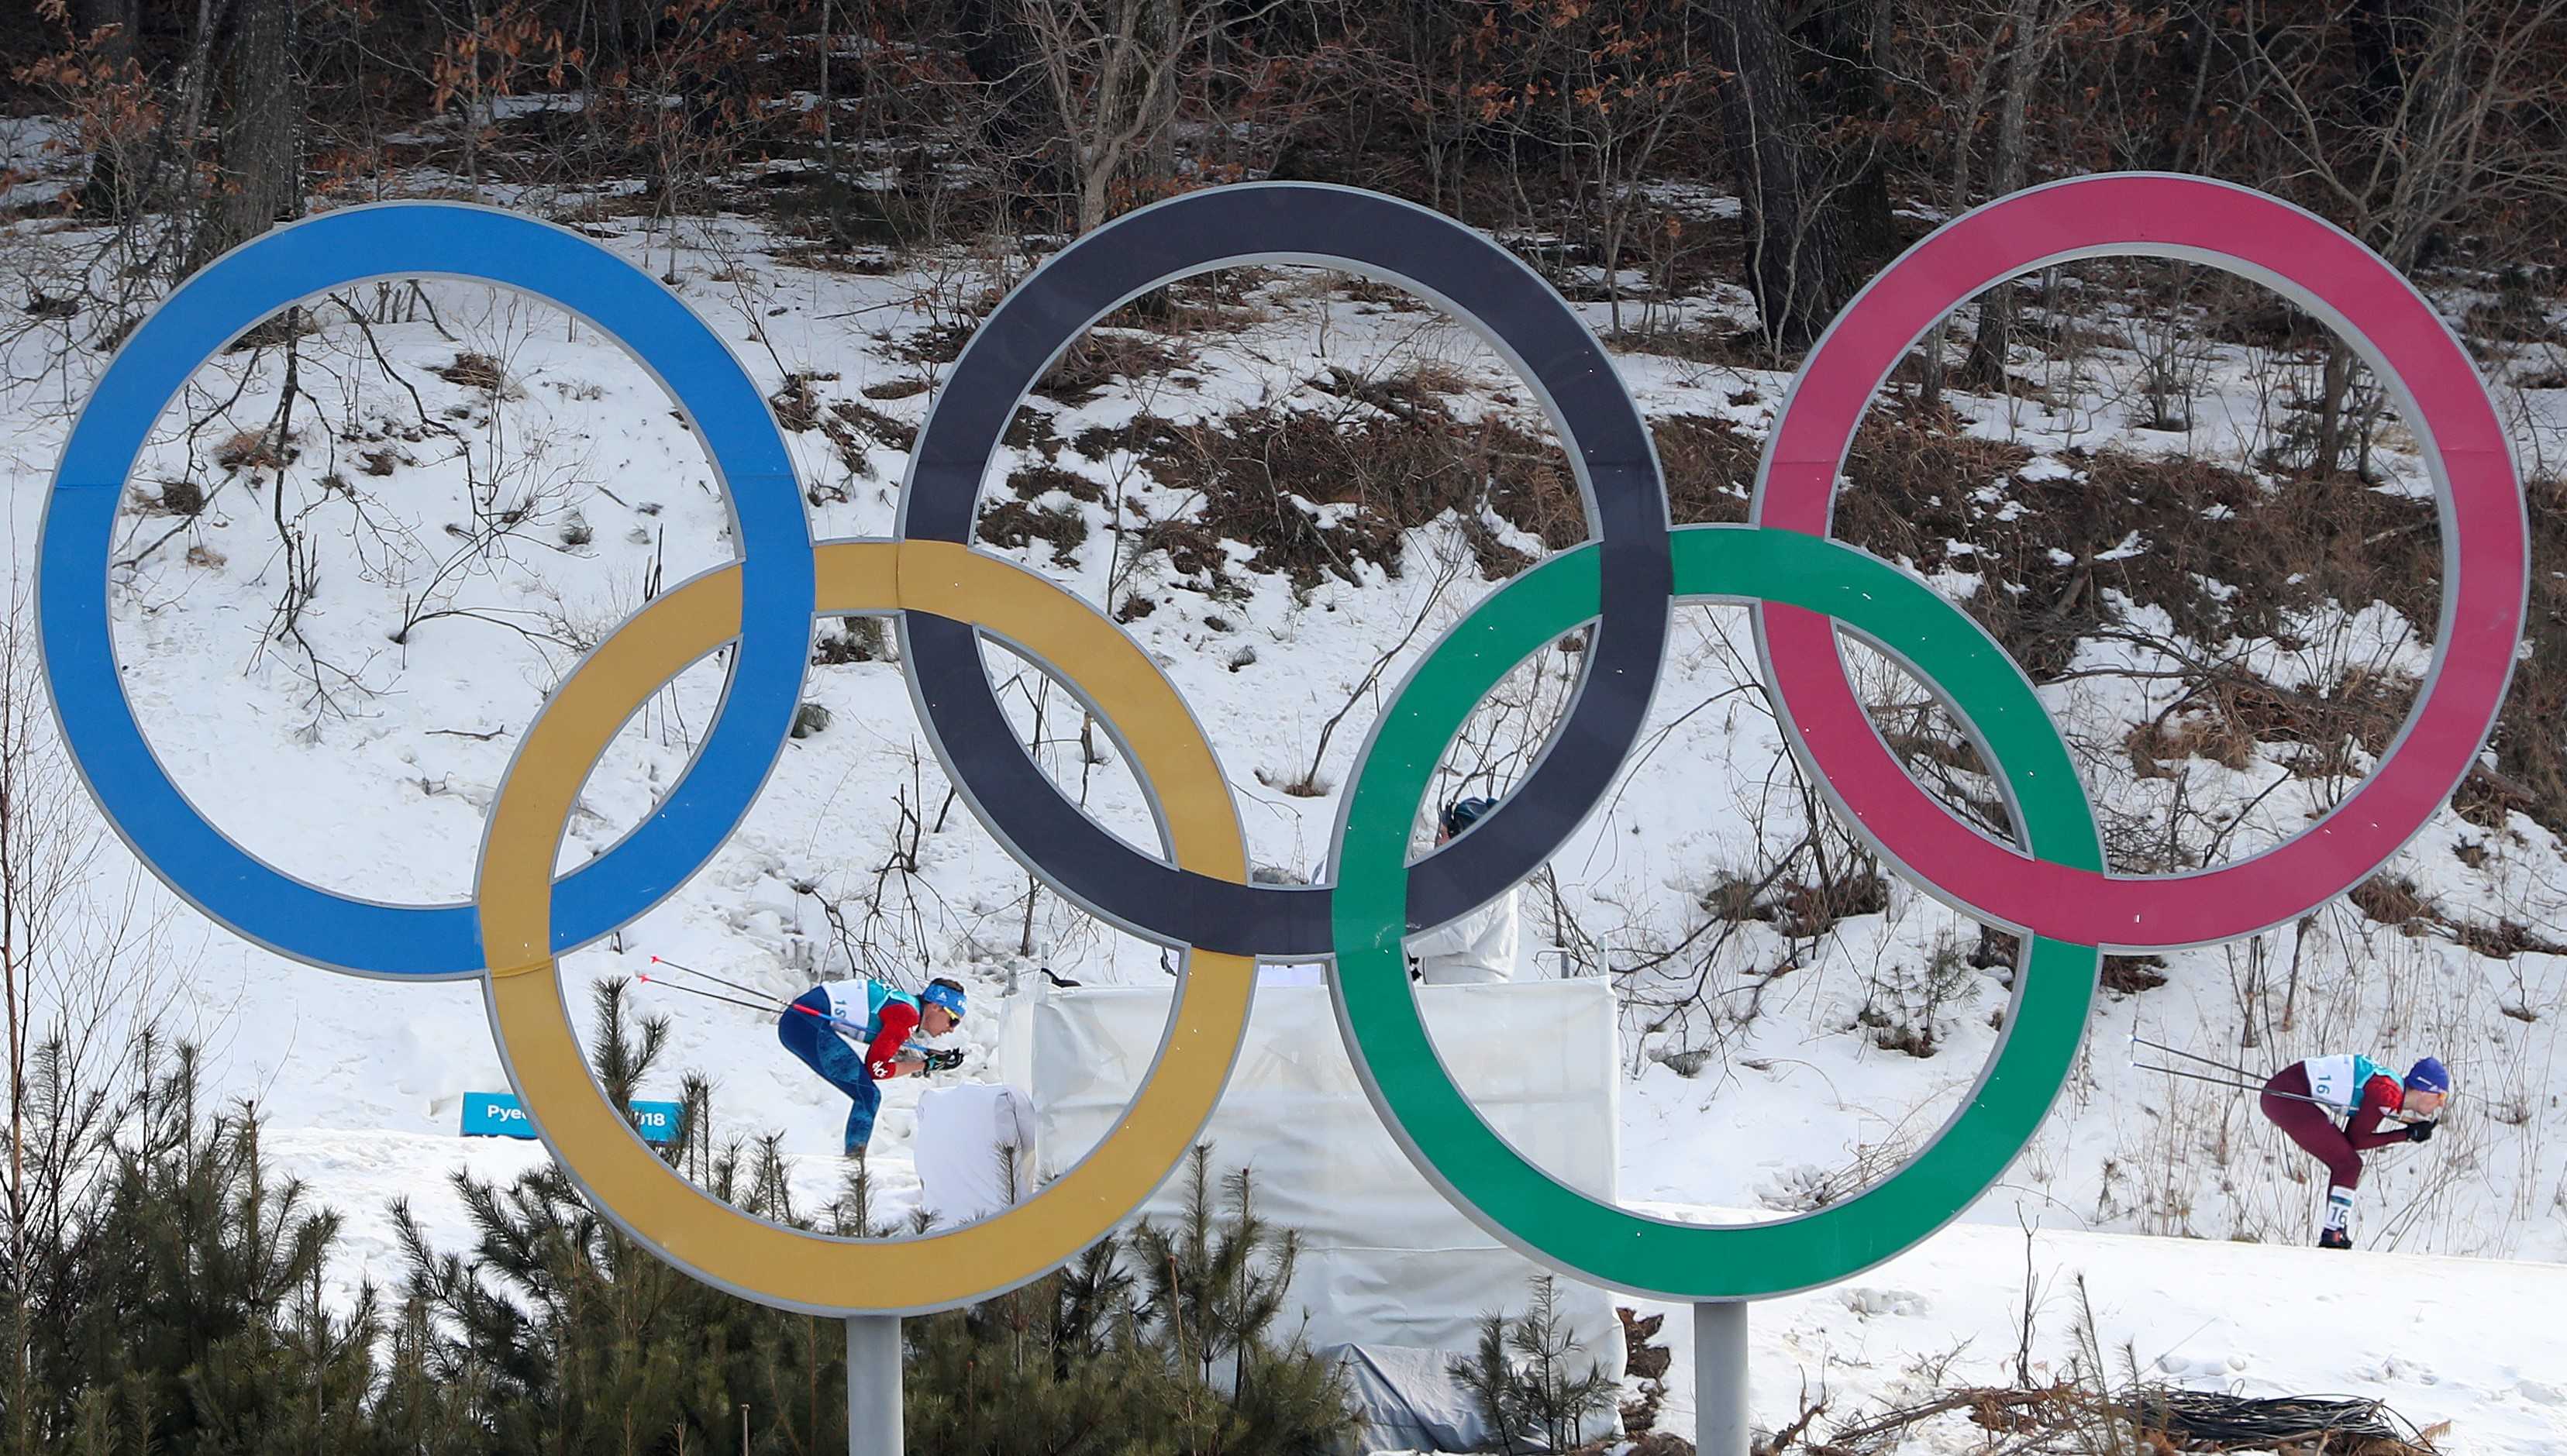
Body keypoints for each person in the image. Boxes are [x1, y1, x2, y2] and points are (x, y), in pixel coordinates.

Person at [2259, 1052, 2447, 1249]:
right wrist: (2406, 1135)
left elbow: (2353, 1138)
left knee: (2348, 1163)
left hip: (2283, 1091)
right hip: (2285, 1096)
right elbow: (2356, 1140)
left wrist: (2408, 1131)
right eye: (2441, 1096)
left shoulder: (2392, 1088)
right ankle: (2334, 1234)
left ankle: (2334, 1232)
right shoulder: (2388, 1093)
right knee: (2349, 1164)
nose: (2441, 1103)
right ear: (2425, 1090)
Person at [778, 976, 967, 1157]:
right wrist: (924, 1065)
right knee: (868, 1096)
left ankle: (854, 1167)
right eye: (954, 1020)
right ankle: (855, 1172)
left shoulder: (907, 1007)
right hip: (803, 1023)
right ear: (936, 1006)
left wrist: (925, 1063)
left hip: (801, 1021)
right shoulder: (907, 1015)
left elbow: (884, 1056)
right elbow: (877, 1069)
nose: (951, 1028)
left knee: (867, 1094)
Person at [1406, 797, 1519, 986]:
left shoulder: (1483, 877)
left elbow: (1459, 935)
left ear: (1461, 835)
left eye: (1444, 834)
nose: (1440, 841)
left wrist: (1410, 945)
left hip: (1471, 991)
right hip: (1460, 988)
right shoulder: (1479, 874)